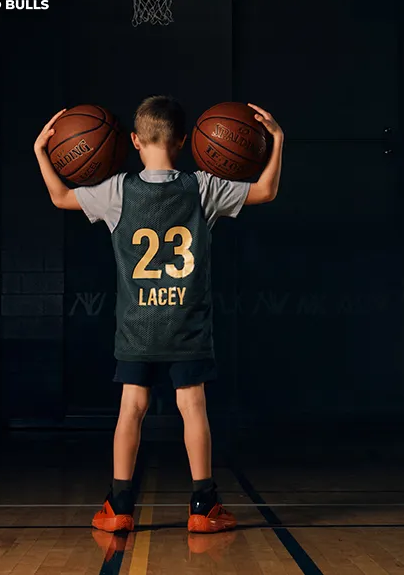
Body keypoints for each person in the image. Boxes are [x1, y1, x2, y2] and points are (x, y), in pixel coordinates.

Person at [34, 96, 284, 533]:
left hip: (138, 327)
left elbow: (59, 197)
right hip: (186, 325)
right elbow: (266, 190)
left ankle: (119, 505)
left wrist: (41, 152)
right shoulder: (204, 187)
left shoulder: (115, 192)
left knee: (131, 408)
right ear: (185, 141)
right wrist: (277, 140)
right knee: (193, 407)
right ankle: (203, 505)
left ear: (134, 141)